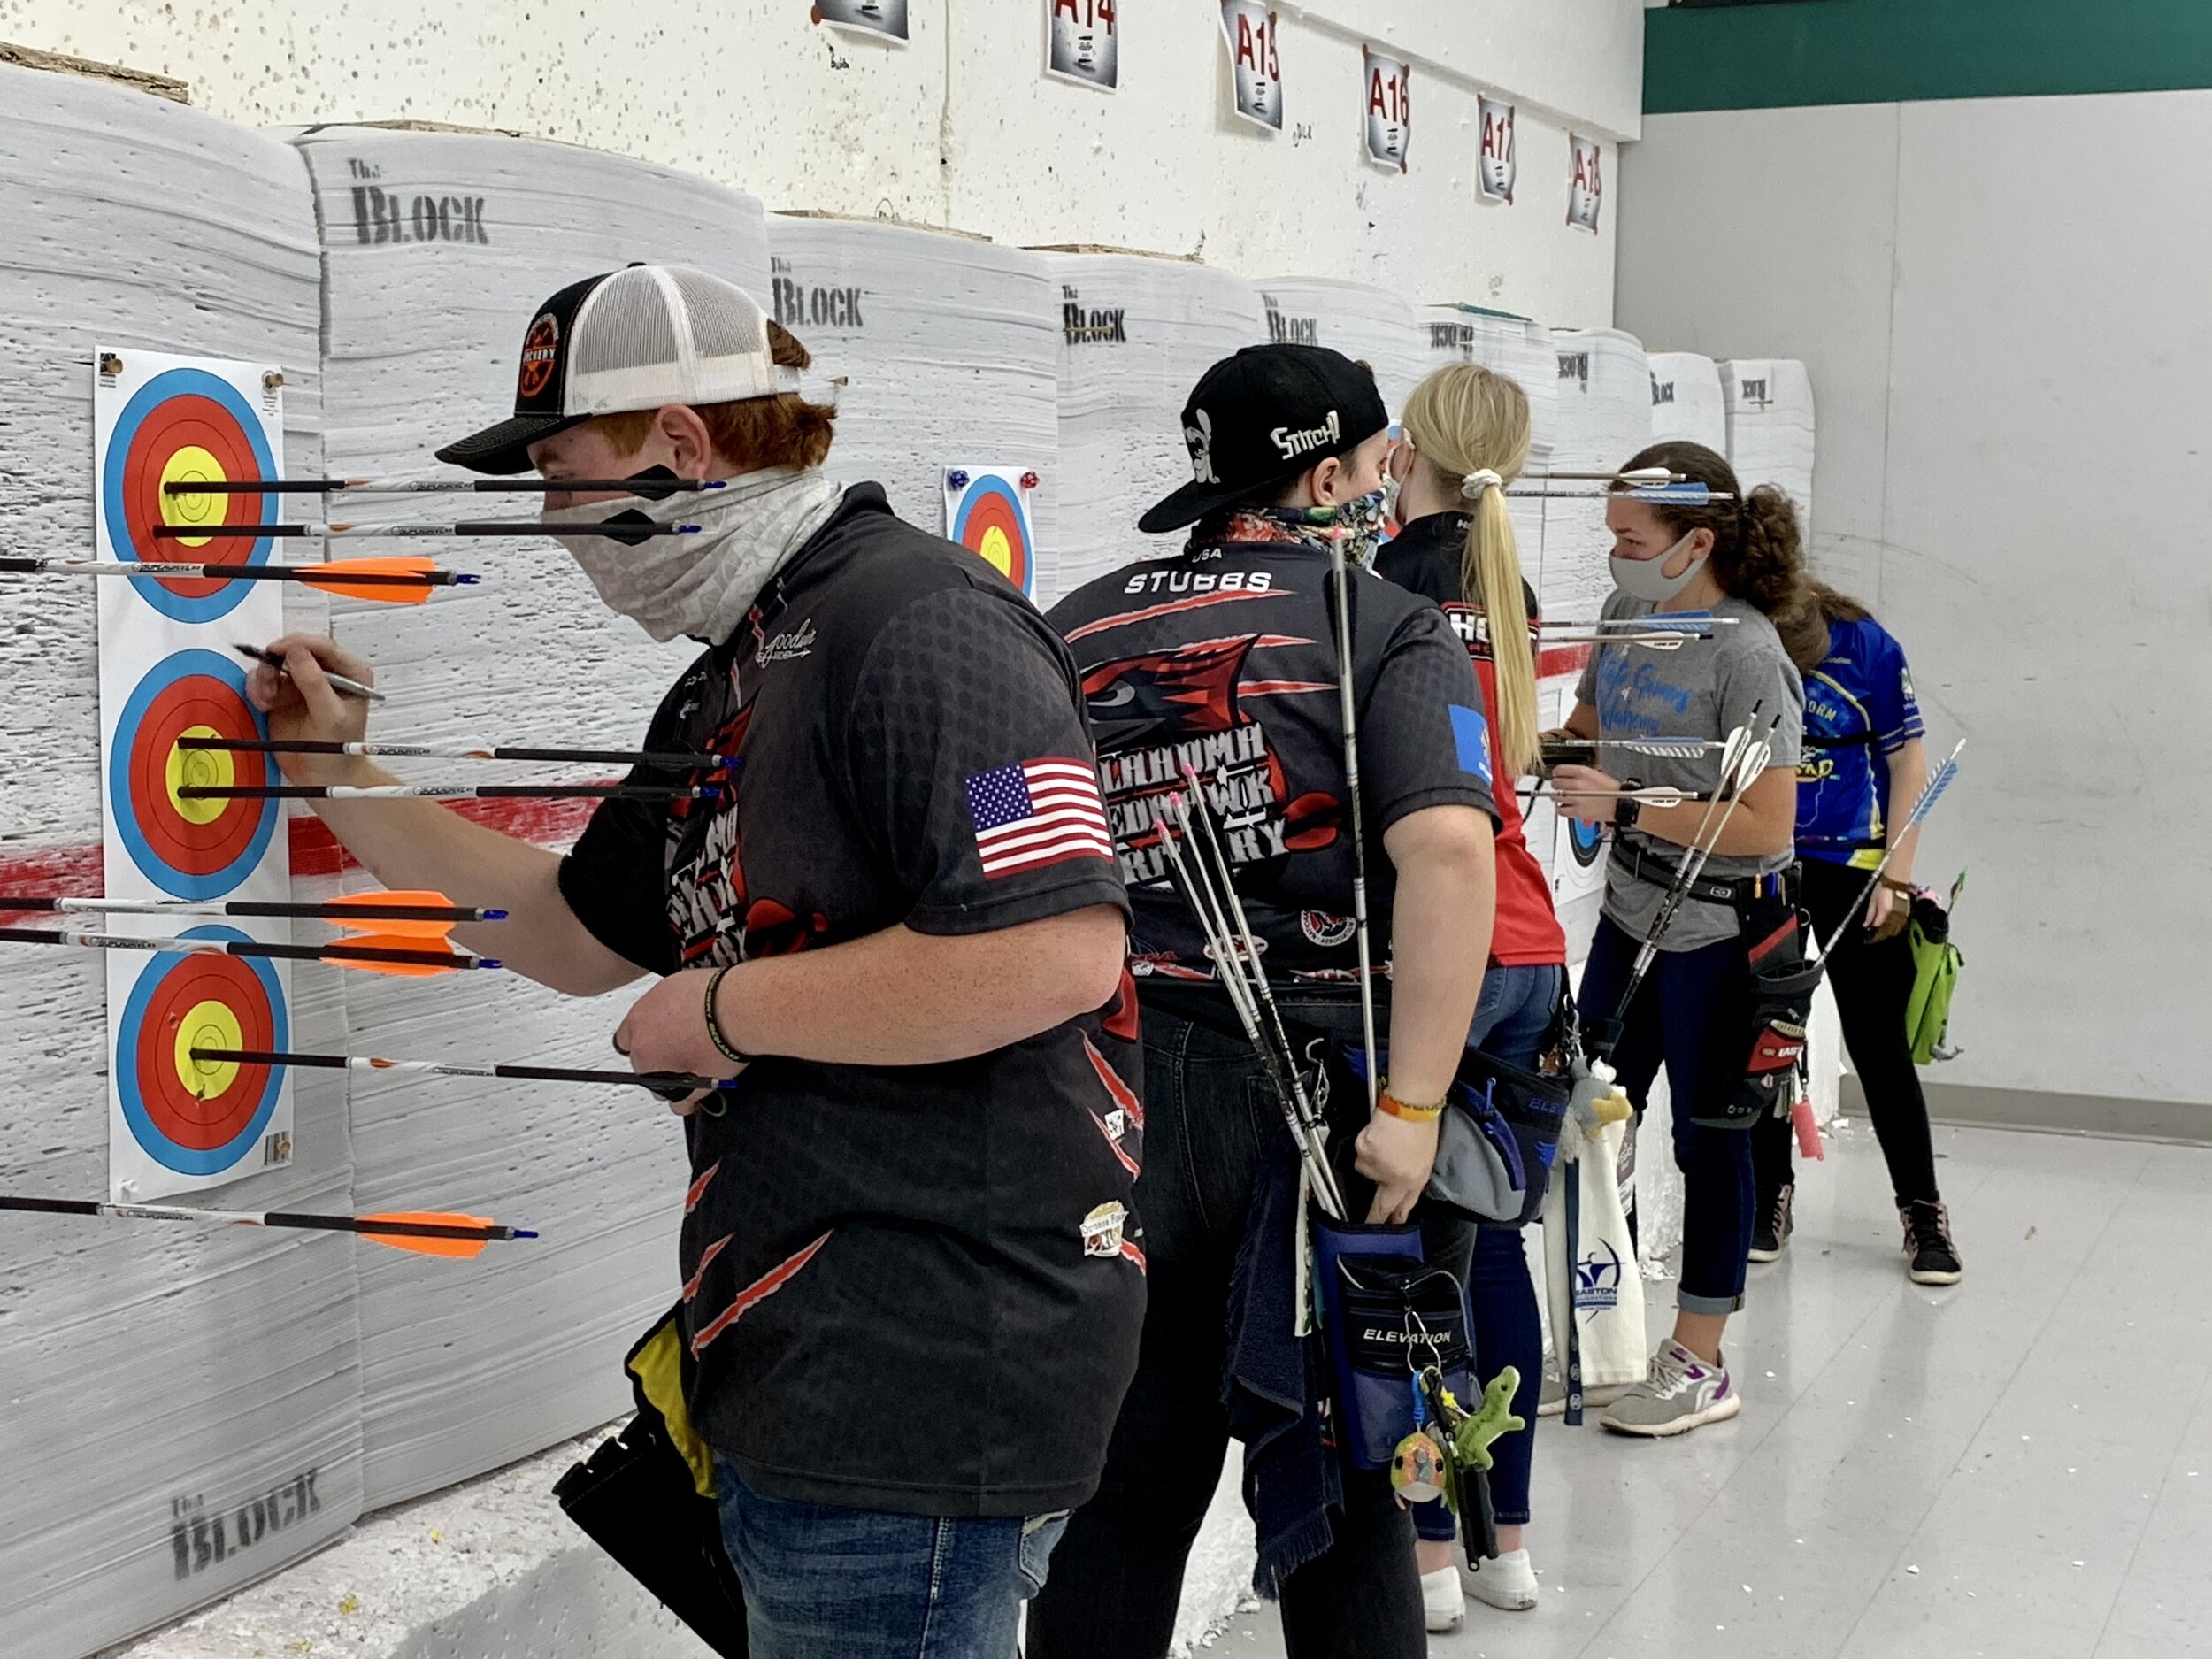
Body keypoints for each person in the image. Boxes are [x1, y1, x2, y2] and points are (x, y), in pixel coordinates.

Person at [243, 264, 1146, 1657]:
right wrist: (341, 776)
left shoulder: (924, 628)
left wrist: (720, 1006)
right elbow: (570, 932)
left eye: (562, 470)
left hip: (925, 1374)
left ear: (678, 443)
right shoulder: (737, 672)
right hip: (807, 1360)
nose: (553, 521)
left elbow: (1053, 942)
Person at [1026, 342, 1500, 1659]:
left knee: (1120, 1491)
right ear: (1336, 471)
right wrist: (1413, 1105)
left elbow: (993, 837)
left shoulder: (1072, 622)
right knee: (1346, 1483)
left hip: (1110, 1086)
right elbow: (1453, 856)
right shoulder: (1381, 623)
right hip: (1327, 1106)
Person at [1548, 439, 1807, 1439]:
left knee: (1711, 1141)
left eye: (1629, 537)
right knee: (1585, 1114)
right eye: (1609, 534)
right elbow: (1587, 723)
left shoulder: (1744, 653)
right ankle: (1601, 1339)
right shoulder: (1623, 615)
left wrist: (1627, 803)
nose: (1612, 554)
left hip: (1717, 935)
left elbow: (1764, 828)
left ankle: (1699, 1360)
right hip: (1626, 912)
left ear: (1695, 541)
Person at [1373, 361, 1560, 1626]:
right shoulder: (1511, 580)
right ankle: (1510, 1548)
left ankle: (1429, 1557)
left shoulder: (1382, 593)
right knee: (1488, 1245)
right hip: (1534, 948)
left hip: (1447, 953)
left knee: (1399, 1273)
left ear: (1405, 451)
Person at [1749, 585, 1962, 1283]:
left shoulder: (1869, 648)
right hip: (1768, 860)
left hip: (1859, 866)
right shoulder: (1744, 634)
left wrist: (1897, 878)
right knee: (1767, 1038)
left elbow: (1909, 764)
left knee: (1878, 1046)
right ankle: (1769, 1196)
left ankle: (1924, 1211)